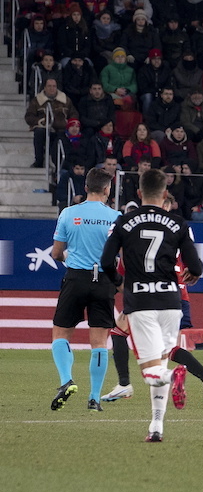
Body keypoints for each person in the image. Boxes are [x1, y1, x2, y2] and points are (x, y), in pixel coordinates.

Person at [100, 169, 203, 442]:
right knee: (161, 362)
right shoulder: (178, 223)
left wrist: (119, 282)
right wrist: (192, 273)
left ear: (139, 193)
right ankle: (156, 426)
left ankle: (176, 375)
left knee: (152, 373)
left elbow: (106, 260)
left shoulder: (124, 222)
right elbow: (196, 266)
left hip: (141, 302)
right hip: (171, 302)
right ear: (165, 194)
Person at [102, 194, 203, 407]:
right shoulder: (175, 229)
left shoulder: (136, 237)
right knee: (168, 350)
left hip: (152, 295)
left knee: (120, 333)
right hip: (177, 296)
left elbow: (120, 268)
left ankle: (126, 384)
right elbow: (193, 262)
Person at [49, 168, 120, 412]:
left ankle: (66, 381)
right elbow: (120, 256)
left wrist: (70, 258)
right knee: (99, 342)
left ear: (86, 187)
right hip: (103, 281)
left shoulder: (68, 213)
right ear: (107, 190)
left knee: (60, 335)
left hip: (76, 278)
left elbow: (56, 253)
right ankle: (94, 398)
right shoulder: (117, 217)